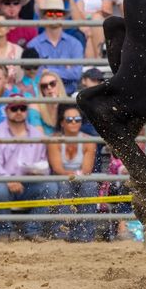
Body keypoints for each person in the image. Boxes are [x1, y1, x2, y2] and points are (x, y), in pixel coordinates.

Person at [0, 96, 56, 241]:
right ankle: (4, 232)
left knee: (51, 187)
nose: (19, 112)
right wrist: (8, 180)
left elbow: (43, 164)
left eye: (22, 108)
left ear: (27, 111)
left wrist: (37, 173)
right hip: (4, 183)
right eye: (14, 108)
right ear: (7, 110)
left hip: (28, 184)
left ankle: (33, 230)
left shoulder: (37, 135)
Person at [49, 103, 98, 242]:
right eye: (69, 120)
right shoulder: (55, 140)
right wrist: (73, 174)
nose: (74, 122)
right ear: (62, 123)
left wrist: (73, 174)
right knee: (64, 186)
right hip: (62, 177)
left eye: (77, 119)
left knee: (90, 186)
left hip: (80, 177)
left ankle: (85, 234)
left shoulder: (88, 141)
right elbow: (57, 168)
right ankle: (62, 232)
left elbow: (87, 169)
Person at [28, 0, 84, 93]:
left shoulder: (75, 44)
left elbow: (76, 73)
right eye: (50, 13)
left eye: (58, 13)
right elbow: (34, 75)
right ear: (44, 17)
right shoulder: (33, 45)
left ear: (63, 17)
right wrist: (66, 71)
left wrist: (48, 70)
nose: (54, 16)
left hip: (68, 96)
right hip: (42, 97)